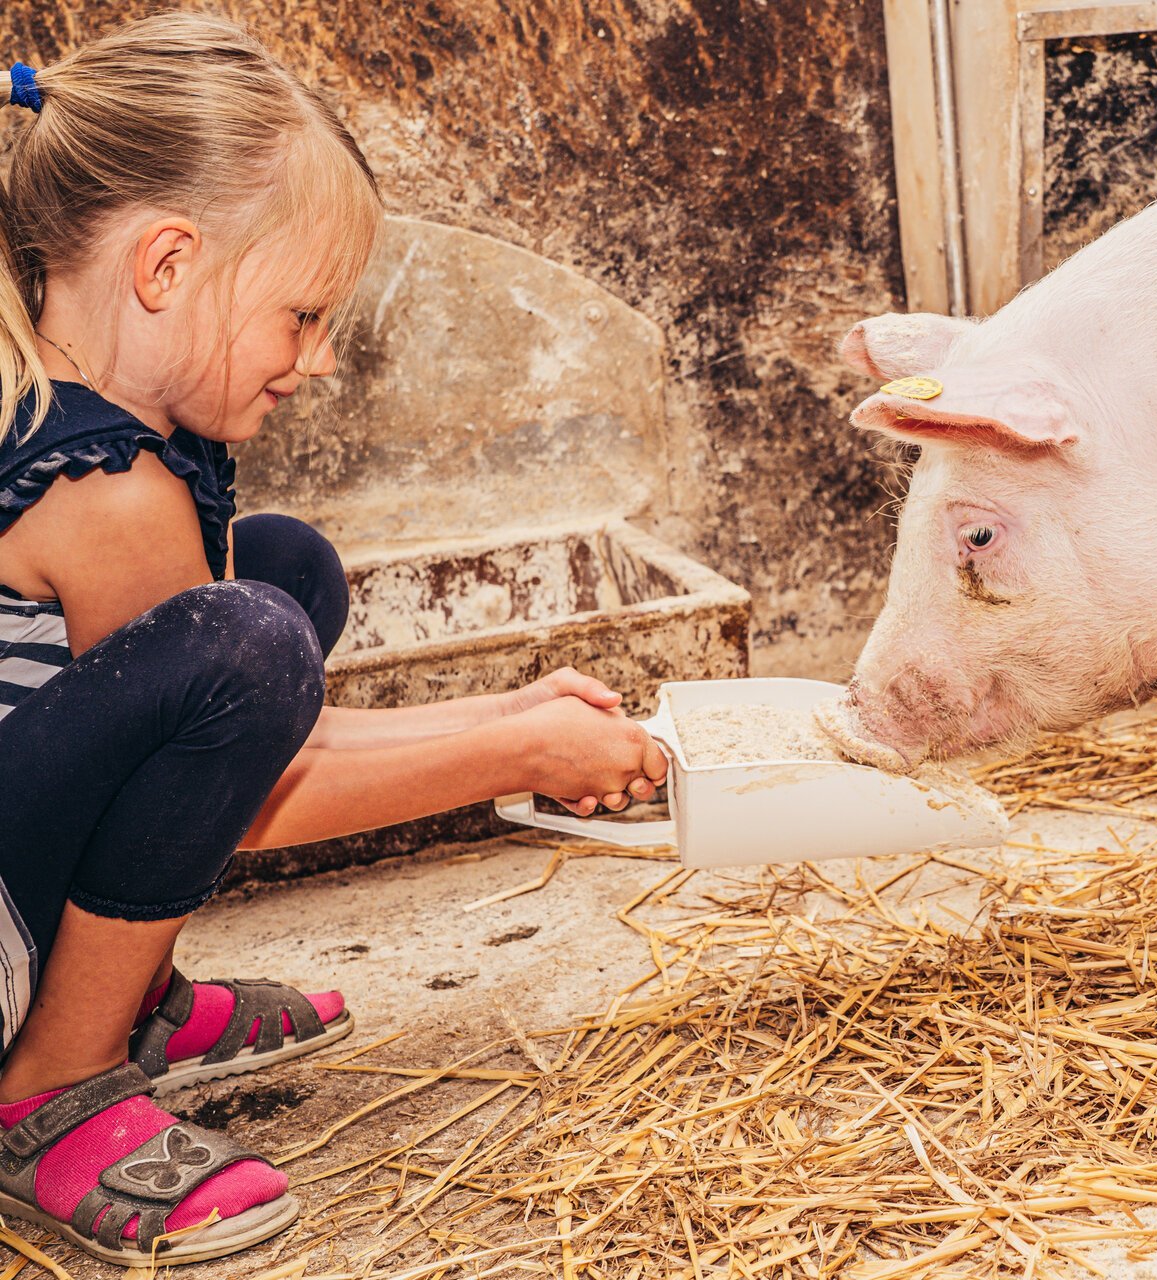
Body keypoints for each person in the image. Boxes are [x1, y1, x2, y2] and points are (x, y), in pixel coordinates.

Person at [0, 15, 668, 1266]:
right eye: (302, 315)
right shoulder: (107, 491)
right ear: (168, 264)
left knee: (282, 572)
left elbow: (240, 741)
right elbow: (257, 793)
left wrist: (507, 711)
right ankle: (52, 1079)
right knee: (249, 635)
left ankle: (123, 996)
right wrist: (518, 751)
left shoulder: (94, 426)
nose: (311, 363)